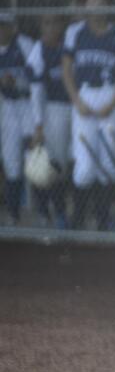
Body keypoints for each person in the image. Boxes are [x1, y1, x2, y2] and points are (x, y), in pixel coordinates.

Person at [62, 0, 115, 230]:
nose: (97, 5)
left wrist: (111, 103)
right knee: (84, 167)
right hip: (84, 95)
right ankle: (78, 219)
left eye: (102, 1)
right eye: (92, 1)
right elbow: (66, 70)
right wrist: (77, 101)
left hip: (110, 94)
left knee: (107, 164)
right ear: (85, 6)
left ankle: (104, 221)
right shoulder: (75, 32)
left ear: (109, 6)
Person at [28, 14, 72, 227]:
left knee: (67, 164)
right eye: (47, 22)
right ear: (41, 26)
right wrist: (39, 125)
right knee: (51, 166)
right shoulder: (39, 51)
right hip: (52, 110)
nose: (52, 26)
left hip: (75, 108)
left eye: (56, 21)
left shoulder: (67, 47)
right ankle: (48, 213)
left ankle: (65, 212)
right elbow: (36, 93)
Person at [0, 12, 37, 223]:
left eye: (4, 25)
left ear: (12, 27)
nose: (1, 29)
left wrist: (18, 81)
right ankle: (14, 214)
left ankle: (44, 211)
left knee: (34, 158)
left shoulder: (24, 43)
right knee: (12, 160)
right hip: (7, 108)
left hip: (27, 104)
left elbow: (37, 76)